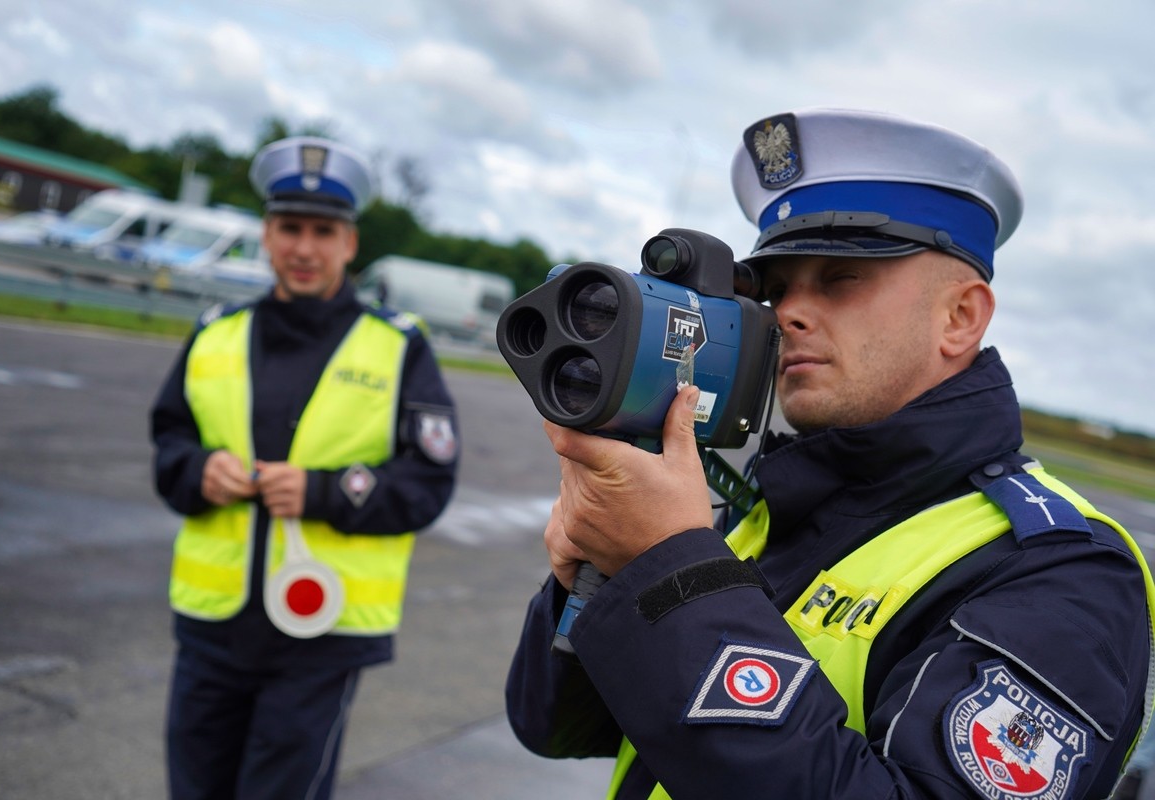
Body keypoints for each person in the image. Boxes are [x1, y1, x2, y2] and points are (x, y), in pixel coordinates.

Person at [505, 108, 1155, 799]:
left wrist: (669, 573)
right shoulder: (762, 508)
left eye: (842, 278)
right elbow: (556, 729)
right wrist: (604, 567)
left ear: (960, 317)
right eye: (778, 288)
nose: (789, 313)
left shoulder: (1059, 571)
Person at [151, 135, 459, 800]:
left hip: (322, 634)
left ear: (350, 244)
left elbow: (429, 483)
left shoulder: (398, 346)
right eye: (290, 228)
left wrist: (325, 492)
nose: (304, 248)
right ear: (266, 234)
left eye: (323, 231)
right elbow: (168, 445)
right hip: (213, 627)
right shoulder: (215, 334)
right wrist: (199, 472)